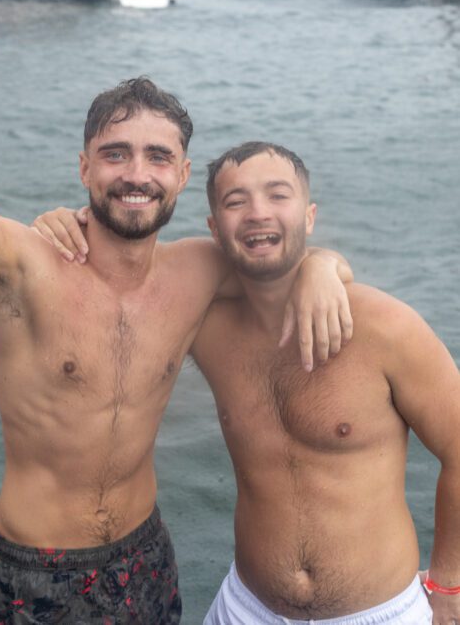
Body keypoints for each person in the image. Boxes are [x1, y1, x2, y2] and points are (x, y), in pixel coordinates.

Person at [0, 0, 353, 621]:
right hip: (33, 569)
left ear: (183, 175)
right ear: (84, 168)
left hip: (145, 558)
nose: (136, 174)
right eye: (115, 155)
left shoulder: (203, 269)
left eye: (158, 156)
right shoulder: (21, 268)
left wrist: (325, 264)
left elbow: (277, 259)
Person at [193, 142, 460, 624]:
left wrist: (448, 586)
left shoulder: (387, 328)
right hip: (246, 608)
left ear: (309, 215)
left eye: (278, 195)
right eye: (236, 202)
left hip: (379, 612)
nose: (257, 213)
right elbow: (128, 277)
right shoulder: (205, 326)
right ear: (214, 229)